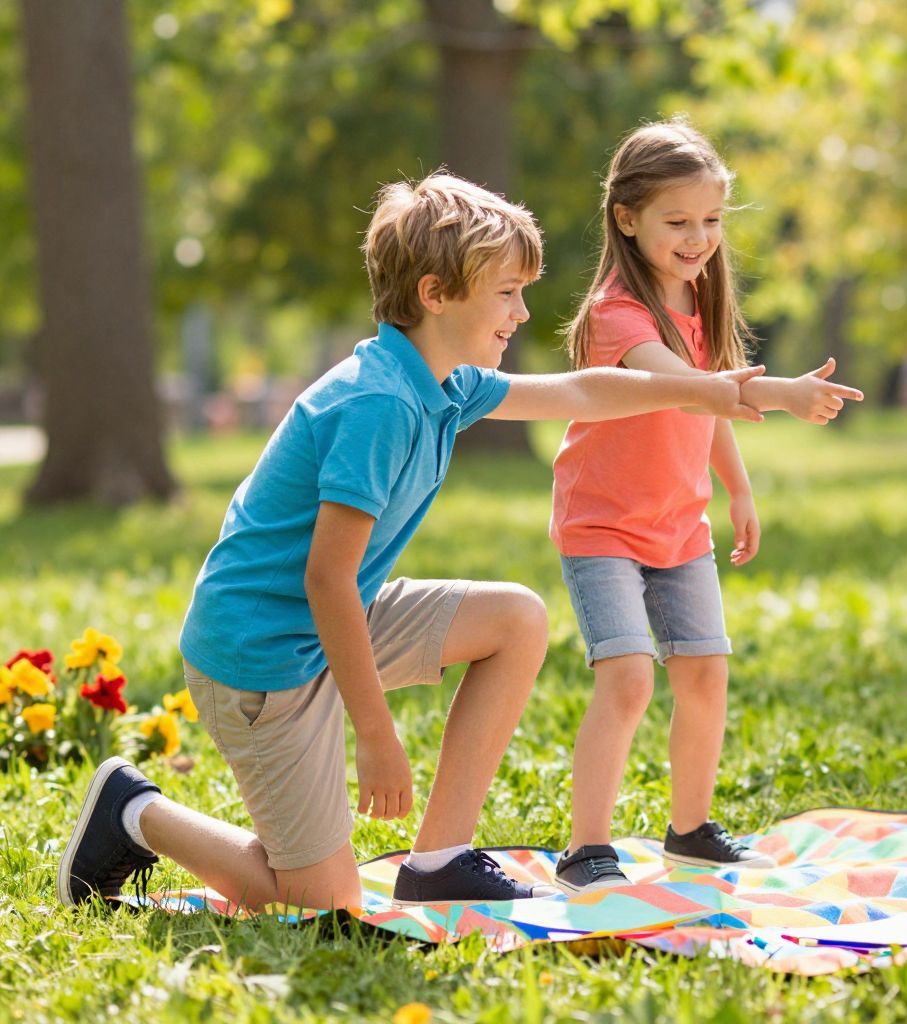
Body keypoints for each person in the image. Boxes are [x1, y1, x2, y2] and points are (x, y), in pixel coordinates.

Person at [56, 173, 768, 913]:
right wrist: (376, 733)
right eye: (506, 293)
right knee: (323, 907)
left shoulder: (446, 378)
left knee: (516, 619)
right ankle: (131, 811)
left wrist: (710, 391)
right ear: (435, 294)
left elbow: (582, 391)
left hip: (330, 622)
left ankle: (438, 862)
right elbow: (325, 580)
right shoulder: (380, 405)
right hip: (263, 657)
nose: (523, 314)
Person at [549, 118, 863, 893]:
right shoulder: (615, 315)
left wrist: (739, 486)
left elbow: (704, 409)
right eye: (679, 221)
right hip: (603, 527)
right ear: (627, 218)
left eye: (712, 221)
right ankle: (585, 849)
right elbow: (679, 387)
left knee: (705, 675)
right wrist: (783, 394)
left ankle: (689, 831)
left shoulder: (696, 299)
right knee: (627, 679)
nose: (699, 239)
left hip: (679, 526)